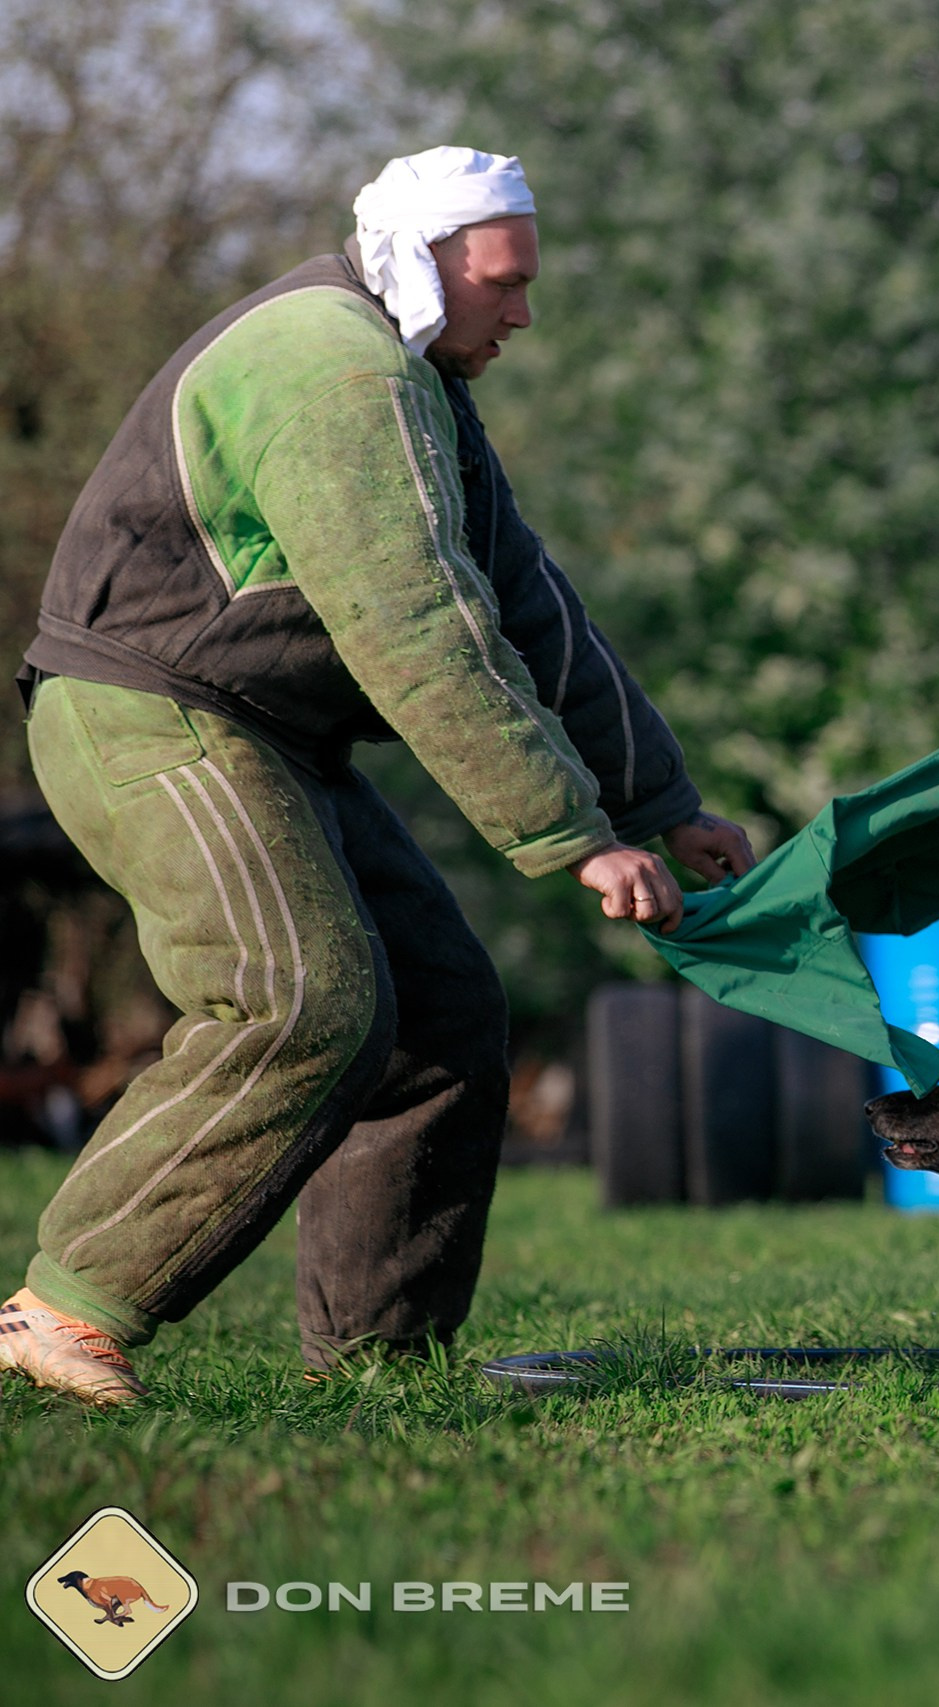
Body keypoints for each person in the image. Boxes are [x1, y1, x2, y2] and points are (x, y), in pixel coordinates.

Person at [0, 148, 753, 1404]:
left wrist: (661, 805)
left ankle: (379, 1370)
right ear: (426, 259)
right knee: (301, 999)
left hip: (265, 732)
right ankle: (63, 1307)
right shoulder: (338, 370)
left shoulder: (423, 389)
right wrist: (571, 835)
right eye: (506, 284)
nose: (523, 312)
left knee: (441, 1017)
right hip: (148, 712)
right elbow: (419, 629)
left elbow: (531, 610)